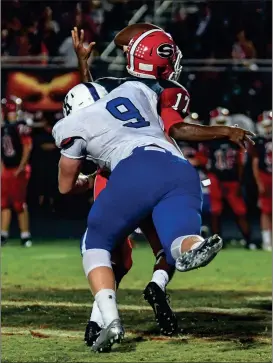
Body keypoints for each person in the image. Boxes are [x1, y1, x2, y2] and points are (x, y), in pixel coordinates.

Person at [53, 28, 254, 352]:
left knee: (103, 246)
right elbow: (99, 97)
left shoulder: (80, 117)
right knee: (170, 244)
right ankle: (189, 250)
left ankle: (104, 319)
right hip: (174, 167)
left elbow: (89, 106)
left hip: (125, 172)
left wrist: (84, 181)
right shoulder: (139, 91)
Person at [207, 107, 253, 249]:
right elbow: (205, 162)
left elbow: (241, 162)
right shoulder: (208, 139)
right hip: (214, 179)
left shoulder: (235, 139)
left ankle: (249, 241)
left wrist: (240, 181)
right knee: (215, 211)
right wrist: (209, 180)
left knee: (240, 211)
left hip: (232, 180)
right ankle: (216, 243)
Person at [1, 96, 32, 247]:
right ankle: (3, 234)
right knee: (4, 203)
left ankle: (25, 235)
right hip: (6, 169)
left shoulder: (20, 126)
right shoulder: (4, 127)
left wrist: (20, 167)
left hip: (18, 168)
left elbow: (27, 147)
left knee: (19, 203)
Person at [252, 111, 272, 251]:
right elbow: (255, 161)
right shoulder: (259, 141)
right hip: (265, 175)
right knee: (265, 209)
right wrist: (259, 182)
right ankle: (266, 241)